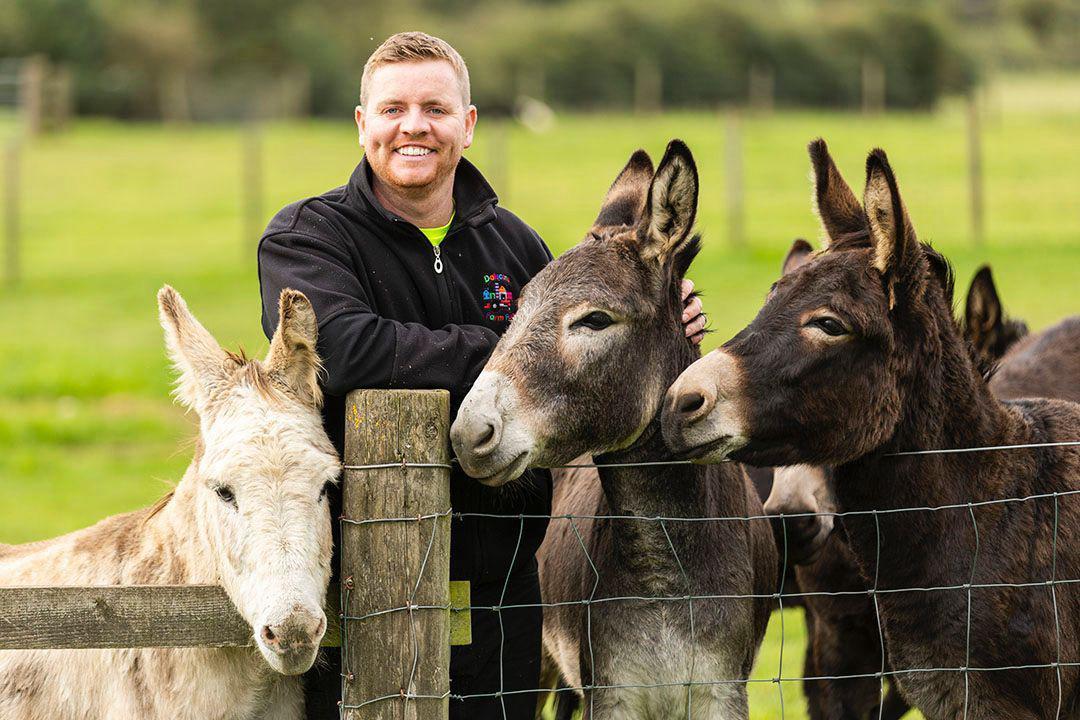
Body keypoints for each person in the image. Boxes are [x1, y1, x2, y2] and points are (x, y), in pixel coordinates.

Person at [257, 31, 706, 719]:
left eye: (435, 109)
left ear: (466, 125)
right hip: (357, 589)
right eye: (392, 109)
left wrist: (651, 329)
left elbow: (590, 352)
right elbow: (339, 347)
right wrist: (510, 348)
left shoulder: (518, 245)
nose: (414, 126)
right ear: (362, 124)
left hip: (504, 591)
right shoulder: (307, 238)